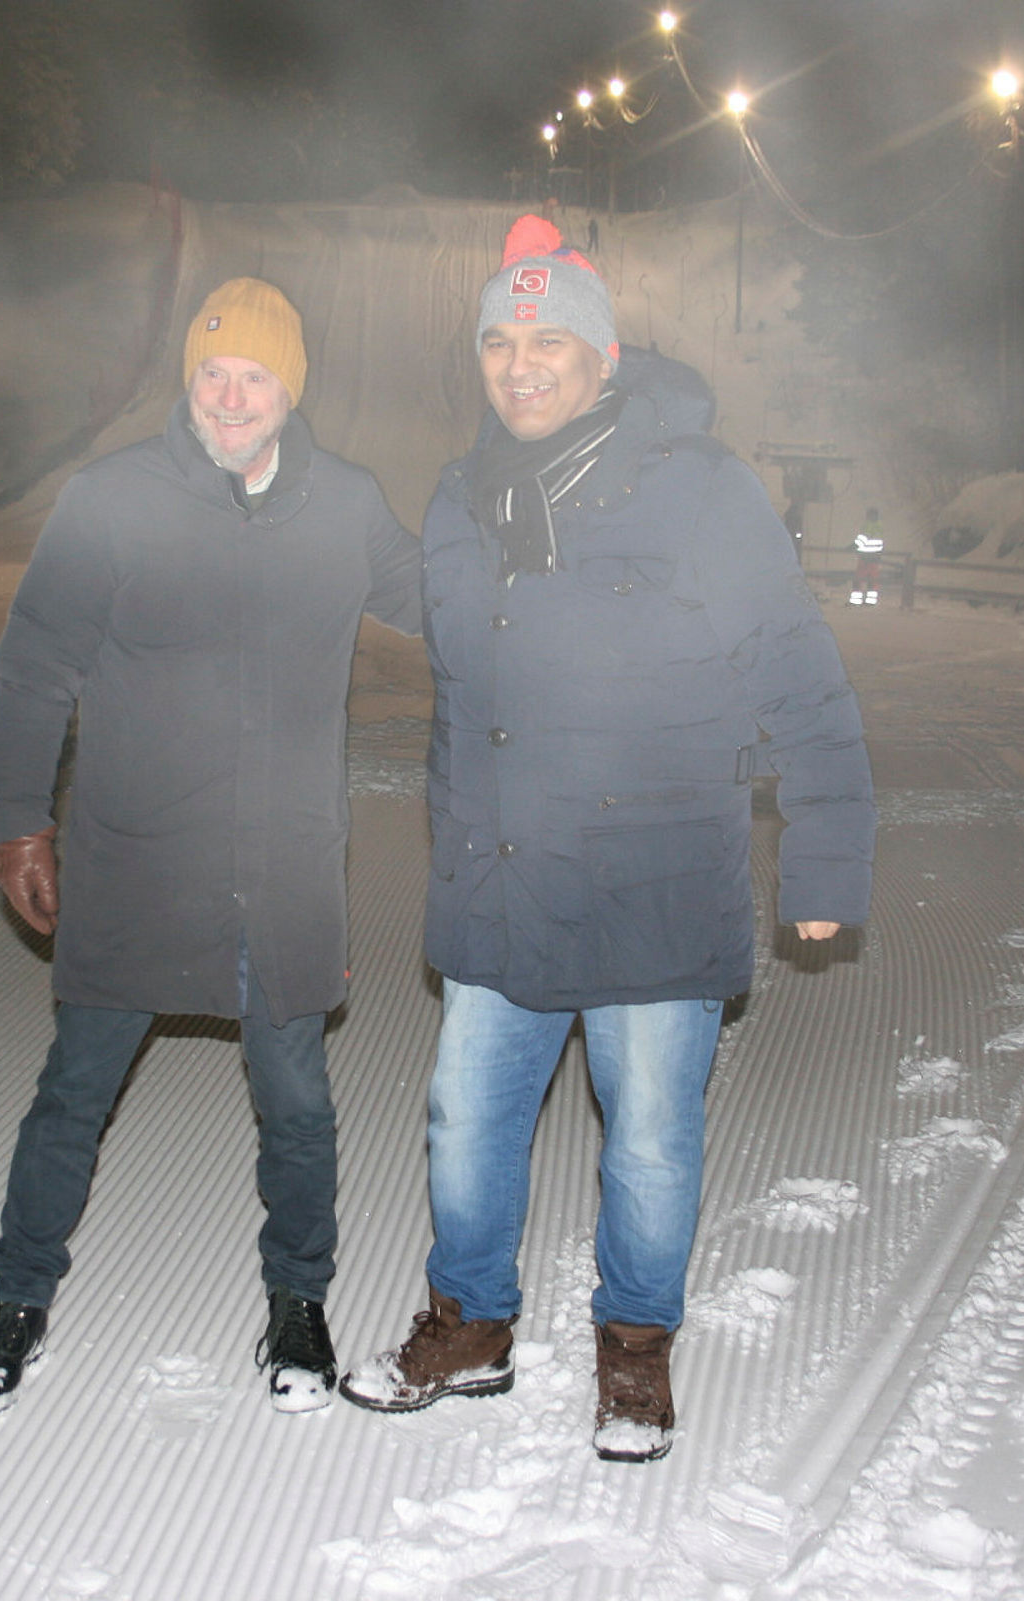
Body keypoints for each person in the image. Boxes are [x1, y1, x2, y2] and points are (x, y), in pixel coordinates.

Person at [339, 217, 874, 1463]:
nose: (521, 364)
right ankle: (470, 1323)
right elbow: (460, 687)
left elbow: (797, 668)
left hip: (656, 878)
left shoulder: (698, 486)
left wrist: (826, 853)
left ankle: (634, 1345)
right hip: (504, 876)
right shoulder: (463, 495)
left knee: (647, 1139)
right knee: (467, 1122)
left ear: (604, 355)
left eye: (549, 340)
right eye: (499, 340)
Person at [0, 278, 422, 1417]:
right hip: (138, 857)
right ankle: (18, 1300)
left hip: (282, 867)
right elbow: (35, 666)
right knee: (74, 1092)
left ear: (289, 388)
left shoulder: (344, 502)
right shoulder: (111, 498)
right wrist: (18, 819)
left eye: (255, 375)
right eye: (214, 372)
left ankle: (298, 1302)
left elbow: (451, 611)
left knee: (297, 1104)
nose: (231, 396)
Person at [852, 506, 886, 607]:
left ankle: (856, 601)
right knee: (873, 579)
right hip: (875, 557)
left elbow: (863, 539)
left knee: (858, 578)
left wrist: (852, 547)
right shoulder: (880, 526)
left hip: (865, 556)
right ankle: (871, 601)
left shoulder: (867, 525)